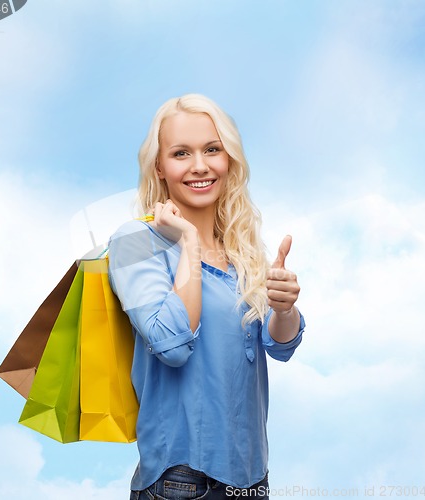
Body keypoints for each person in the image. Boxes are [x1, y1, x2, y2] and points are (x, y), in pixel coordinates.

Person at [108, 94, 305, 499]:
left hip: (251, 481)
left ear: (229, 160)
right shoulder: (135, 243)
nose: (200, 165)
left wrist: (285, 308)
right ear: (160, 167)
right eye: (181, 153)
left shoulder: (243, 252)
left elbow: (279, 346)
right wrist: (190, 245)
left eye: (212, 150)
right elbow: (173, 343)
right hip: (180, 482)